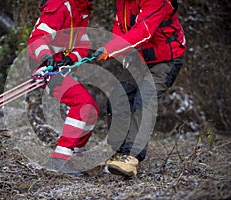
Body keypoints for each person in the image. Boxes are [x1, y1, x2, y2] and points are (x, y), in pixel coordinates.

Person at [93, 0, 187, 176]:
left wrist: (111, 49)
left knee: (145, 98)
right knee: (118, 97)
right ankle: (117, 151)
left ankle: (131, 156)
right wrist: (116, 47)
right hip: (139, 61)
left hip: (166, 61)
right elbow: (119, 26)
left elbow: (144, 31)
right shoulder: (122, 2)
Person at [27, 0, 98, 173]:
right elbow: (36, 38)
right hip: (45, 67)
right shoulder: (61, 5)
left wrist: (71, 58)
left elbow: (82, 44)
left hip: (61, 66)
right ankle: (60, 158)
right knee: (83, 103)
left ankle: (76, 155)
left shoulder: (82, 8)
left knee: (91, 110)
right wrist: (45, 56)